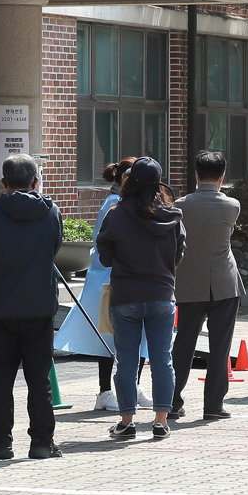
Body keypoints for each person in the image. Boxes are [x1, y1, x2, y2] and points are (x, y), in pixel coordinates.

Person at [0, 153, 64, 460]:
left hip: (1, 306)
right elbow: (55, 247)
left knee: (2, 377)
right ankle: (41, 442)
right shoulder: (51, 213)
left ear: (3, 183)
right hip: (39, 306)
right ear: (35, 182)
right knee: (39, 378)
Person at [96, 157, 185, 440]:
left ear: (129, 181)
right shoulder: (173, 216)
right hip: (161, 294)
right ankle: (161, 421)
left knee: (126, 360)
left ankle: (126, 421)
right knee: (162, 359)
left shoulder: (116, 213)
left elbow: (105, 255)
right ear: (158, 184)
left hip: (126, 296)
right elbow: (178, 255)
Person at [52, 159, 149, 411]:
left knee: (136, 337)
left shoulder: (128, 204)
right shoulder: (113, 205)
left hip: (120, 279)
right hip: (109, 281)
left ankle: (132, 388)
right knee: (108, 337)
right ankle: (105, 392)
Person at [170, 150, 242, 423]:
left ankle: (173, 401)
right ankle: (213, 404)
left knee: (183, 343)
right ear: (223, 177)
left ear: (196, 174)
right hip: (224, 281)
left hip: (188, 282)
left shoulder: (180, 205)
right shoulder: (232, 205)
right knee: (220, 346)